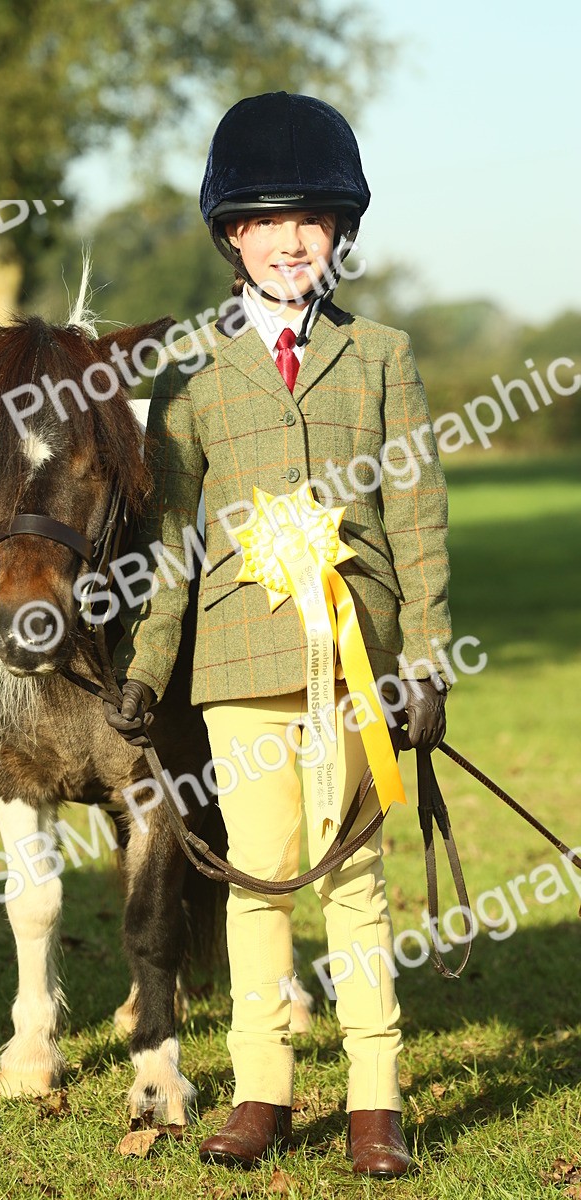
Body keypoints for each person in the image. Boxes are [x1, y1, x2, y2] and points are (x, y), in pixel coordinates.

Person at [107, 91, 451, 1179]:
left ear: (338, 233)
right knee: (257, 881)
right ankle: (260, 1090)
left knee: (355, 880)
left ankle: (373, 1103)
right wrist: (147, 668)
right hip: (241, 662)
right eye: (267, 218)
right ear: (232, 236)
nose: (292, 237)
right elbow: (168, 539)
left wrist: (425, 664)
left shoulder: (383, 355)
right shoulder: (192, 372)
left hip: (359, 662)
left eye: (311, 218)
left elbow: (419, 521)